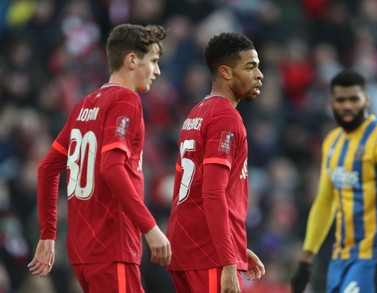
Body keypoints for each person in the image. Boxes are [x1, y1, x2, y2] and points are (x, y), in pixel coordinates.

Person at [27, 24, 172, 292]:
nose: (157, 71)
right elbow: (112, 167)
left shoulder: (84, 105)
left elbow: (47, 169)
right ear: (131, 61)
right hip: (112, 246)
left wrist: (48, 235)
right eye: (153, 61)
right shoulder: (126, 101)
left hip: (83, 251)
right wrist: (150, 228)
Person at [290, 70, 377, 293]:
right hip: (341, 257)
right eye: (341, 100)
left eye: (354, 99)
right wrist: (306, 259)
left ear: (366, 99)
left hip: (375, 255)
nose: (347, 106)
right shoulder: (332, 142)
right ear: (331, 102)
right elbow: (325, 203)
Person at [166, 32, 266, 292]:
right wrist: (228, 261)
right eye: (250, 67)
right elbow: (212, 192)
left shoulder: (197, 112)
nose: (260, 74)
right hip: (208, 254)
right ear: (226, 72)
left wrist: (236, 248)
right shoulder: (225, 117)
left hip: (187, 247)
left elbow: (198, 190)